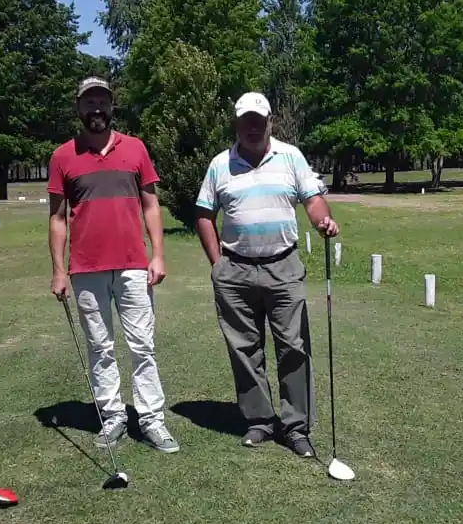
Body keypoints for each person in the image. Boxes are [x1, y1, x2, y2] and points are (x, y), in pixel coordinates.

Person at [195, 91, 339, 458]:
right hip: (235, 269)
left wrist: (322, 220)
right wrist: (217, 264)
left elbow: (313, 199)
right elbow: (204, 214)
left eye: (259, 121)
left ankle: (296, 427)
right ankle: (259, 421)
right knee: (244, 349)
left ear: (270, 122)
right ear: (237, 124)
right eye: (246, 121)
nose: (253, 127)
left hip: (283, 265)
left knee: (293, 346)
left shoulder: (290, 156)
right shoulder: (220, 165)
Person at [48, 76, 178, 453]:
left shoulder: (136, 148)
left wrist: (158, 254)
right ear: (79, 108)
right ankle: (113, 416)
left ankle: (152, 420)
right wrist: (58, 270)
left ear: (112, 106)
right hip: (85, 268)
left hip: (134, 265)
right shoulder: (62, 156)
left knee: (142, 345)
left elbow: (151, 205)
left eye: (102, 102)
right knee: (100, 347)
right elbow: (57, 218)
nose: (97, 109)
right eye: (89, 103)